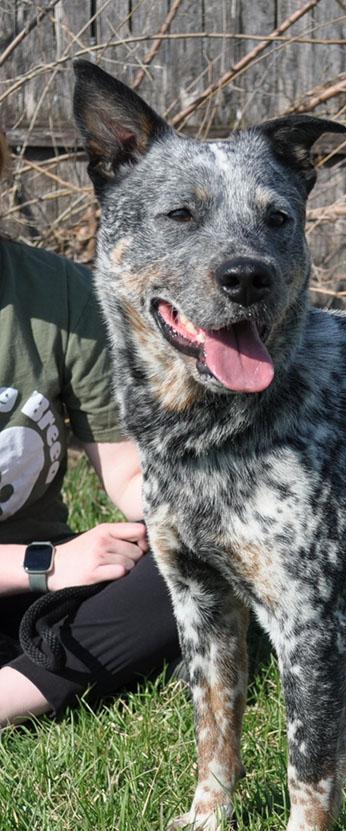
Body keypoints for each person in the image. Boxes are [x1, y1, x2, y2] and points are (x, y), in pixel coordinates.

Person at [0, 131, 180, 726]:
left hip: (30, 598)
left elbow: (127, 468)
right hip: (40, 569)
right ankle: (44, 680)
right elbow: (49, 565)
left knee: (194, 561)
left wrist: (193, 514)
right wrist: (44, 563)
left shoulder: (62, 294)